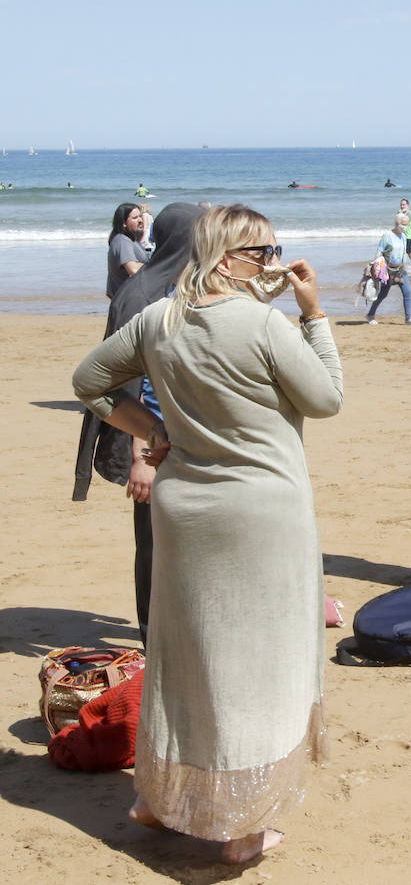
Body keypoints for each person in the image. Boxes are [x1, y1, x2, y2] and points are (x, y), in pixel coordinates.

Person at [71, 203, 343, 863]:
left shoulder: (158, 320)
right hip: (262, 513)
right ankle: (242, 828)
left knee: (187, 656)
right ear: (229, 257)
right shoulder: (263, 325)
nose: (276, 264)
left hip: (186, 510)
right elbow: (327, 396)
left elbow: (90, 382)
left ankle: (159, 800)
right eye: (265, 253)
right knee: (261, 666)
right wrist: (314, 313)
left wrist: (153, 432)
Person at [74, 203, 207, 644]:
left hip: (171, 437)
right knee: (154, 542)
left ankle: (167, 629)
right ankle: (155, 635)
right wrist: (143, 458)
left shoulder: (167, 285)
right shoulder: (144, 294)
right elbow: (132, 383)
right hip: (152, 439)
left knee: (172, 538)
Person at [367, 212, 411, 325]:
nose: (405, 227)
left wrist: (405, 266)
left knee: (407, 292)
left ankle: (408, 318)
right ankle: (370, 315)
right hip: (388, 270)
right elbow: (379, 252)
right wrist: (377, 269)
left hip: (401, 270)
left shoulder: (404, 236)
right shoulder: (387, 235)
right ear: (397, 223)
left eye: (407, 225)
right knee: (383, 294)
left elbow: (403, 253)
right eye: (403, 224)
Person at [105, 202, 148, 298]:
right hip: (126, 300)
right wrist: (157, 266)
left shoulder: (131, 240)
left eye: (140, 216)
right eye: (135, 218)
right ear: (124, 223)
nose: (140, 220)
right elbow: (133, 269)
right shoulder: (122, 240)